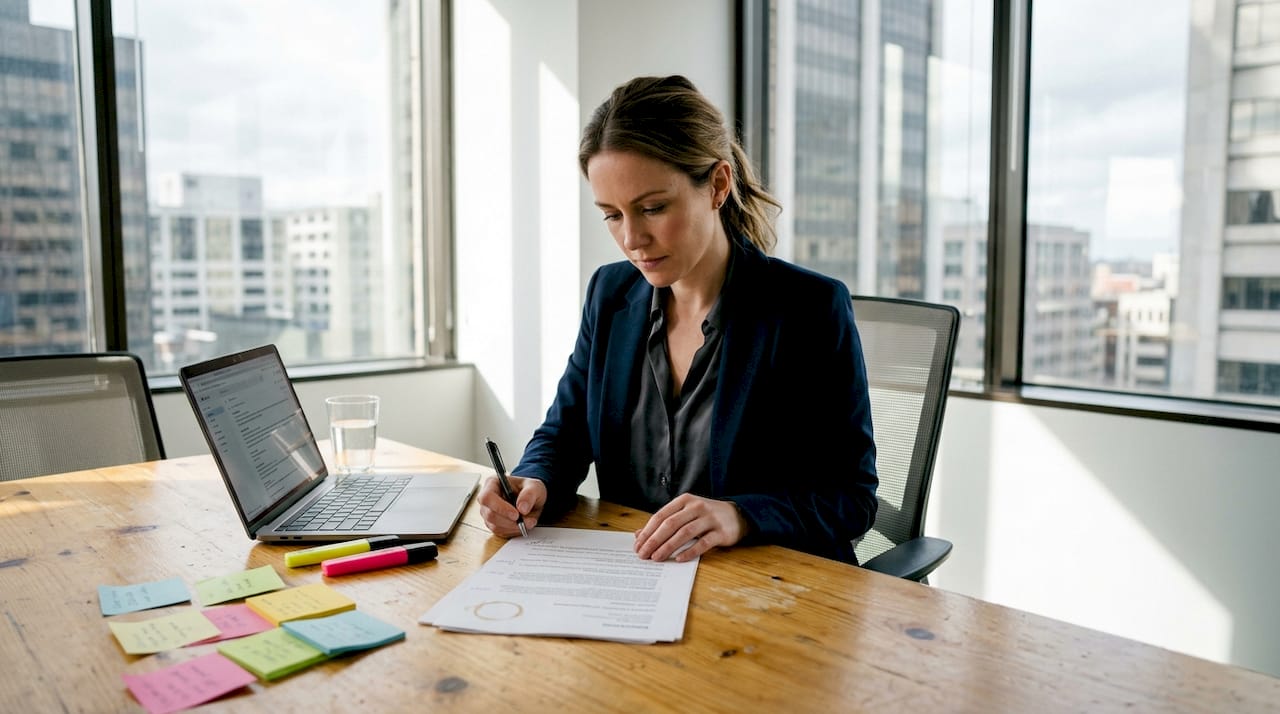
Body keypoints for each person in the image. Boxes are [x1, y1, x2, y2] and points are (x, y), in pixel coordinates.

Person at [478, 75, 878, 564]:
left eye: (652, 208)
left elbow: (851, 499)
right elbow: (564, 433)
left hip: (766, 592)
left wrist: (740, 514)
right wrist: (533, 479)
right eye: (612, 215)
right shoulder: (611, 294)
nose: (632, 238)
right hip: (637, 580)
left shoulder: (807, 309)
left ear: (717, 185)